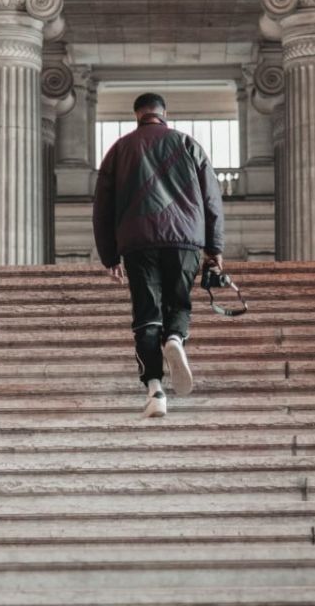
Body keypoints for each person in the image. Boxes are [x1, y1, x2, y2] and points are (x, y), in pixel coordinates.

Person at [92, 92, 225, 419]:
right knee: (178, 303)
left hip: (137, 241)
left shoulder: (119, 150)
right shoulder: (188, 144)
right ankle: (176, 338)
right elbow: (211, 200)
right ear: (164, 113)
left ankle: (155, 388)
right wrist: (214, 249)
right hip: (185, 240)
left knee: (146, 313)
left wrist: (109, 256)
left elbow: (102, 209)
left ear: (137, 115)